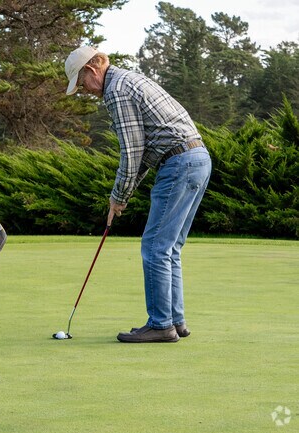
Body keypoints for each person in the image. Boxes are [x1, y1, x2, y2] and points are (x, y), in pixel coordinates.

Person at [64, 46, 212, 343]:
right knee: (169, 247)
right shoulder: (129, 79)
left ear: (92, 70)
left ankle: (161, 324)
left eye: (81, 83)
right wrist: (123, 195)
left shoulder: (115, 90)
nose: (84, 91)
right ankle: (175, 320)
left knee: (155, 246)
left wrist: (118, 196)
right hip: (198, 159)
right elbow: (144, 152)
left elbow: (131, 152)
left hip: (179, 163)